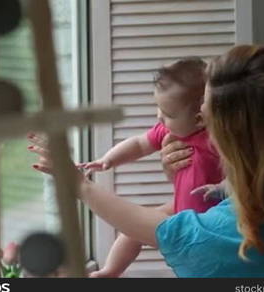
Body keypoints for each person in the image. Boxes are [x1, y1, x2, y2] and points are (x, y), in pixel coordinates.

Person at [28, 45, 264, 277]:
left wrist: (77, 185)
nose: (201, 117)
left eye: (209, 117)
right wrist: (180, 183)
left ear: (240, 143)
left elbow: (169, 232)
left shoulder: (235, 234)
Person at [74, 57, 224, 277]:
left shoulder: (215, 140)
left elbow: (240, 168)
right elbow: (139, 144)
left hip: (209, 214)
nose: (159, 117)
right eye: (158, 109)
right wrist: (108, 160)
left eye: (168, 114)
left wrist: (223, 186)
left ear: (200, 118)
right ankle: (110, 271)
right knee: (132, 229)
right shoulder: (170, 131)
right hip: (180, 204)